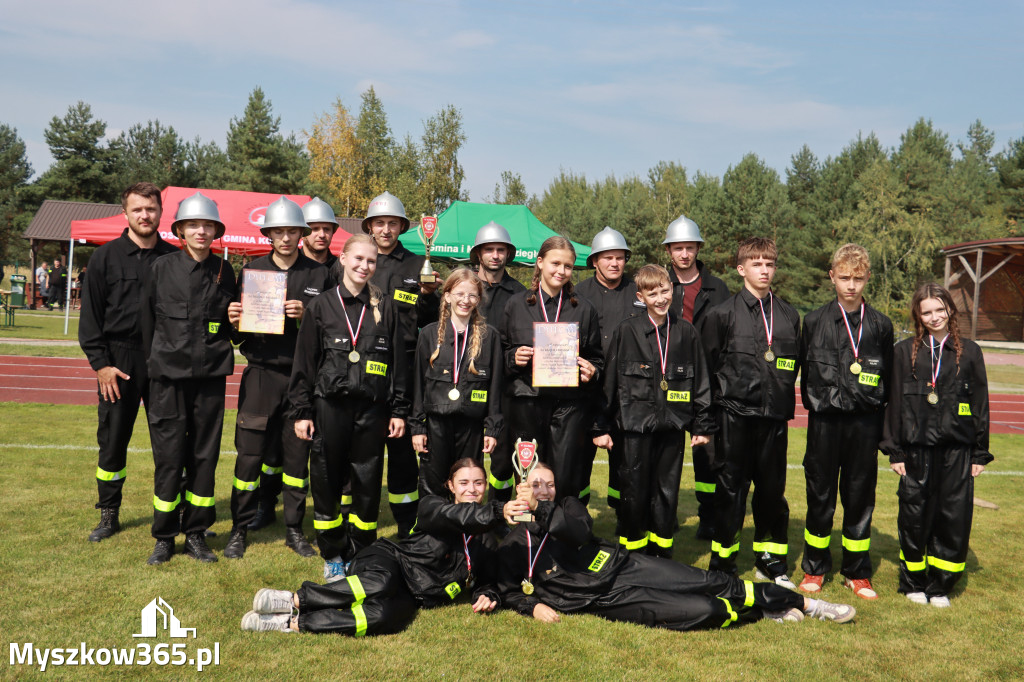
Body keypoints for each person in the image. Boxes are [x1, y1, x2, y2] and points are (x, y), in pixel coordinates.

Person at [497, 464, 855, 630]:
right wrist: (533, 607)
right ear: (519, 487)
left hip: (622, 566)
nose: (542, 490)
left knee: (709, 581)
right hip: (603, 599)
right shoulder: (511, 538)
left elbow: (574, 531)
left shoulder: (567, 506)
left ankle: (809, 604)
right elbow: (507, 589)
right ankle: (762, 612)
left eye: (548, 485)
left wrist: (540, 508)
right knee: (701, 609)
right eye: (534, 484)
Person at [241, 459, 524, 635]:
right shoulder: (433, 507)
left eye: (478, 483)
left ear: (486, 486)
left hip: (414, 594)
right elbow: (461, 517)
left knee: (383, 618)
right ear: (450, 486)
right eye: (463, 482)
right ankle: (293, 600)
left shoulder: (487, 541)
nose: (471, 489)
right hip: (389, 560)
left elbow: (487, 579)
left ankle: (288, 624)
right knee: (379, 583)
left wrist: (489, 595)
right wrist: (498, 511)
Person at [289, 233, 408, 581]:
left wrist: (399, 410)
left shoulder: (387, 308)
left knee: (368, 482)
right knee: (325, 480)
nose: (364, 266)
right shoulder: (321, 306)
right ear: (342, 258)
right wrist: (302, 412)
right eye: (358, 259)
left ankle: (363, 550)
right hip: (330, 407)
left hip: (372, 410)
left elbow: (399, 365)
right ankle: (333, 554)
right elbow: (304, 364)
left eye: (370, 261)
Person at [224, 197, 330, 559]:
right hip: (261, 375)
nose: (285, 237)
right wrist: (234, 322)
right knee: (249, 456)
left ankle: (293, 529)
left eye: (292, 231)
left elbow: (330, 332)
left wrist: (306, 316)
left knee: (297, 459)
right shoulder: (252, 271)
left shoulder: (320, 275)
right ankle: (239, 528)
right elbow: (239, 337)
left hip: (303, 380)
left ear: (302, 233)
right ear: (268, 233)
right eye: (279, 231)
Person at [880, 283, 992, 608]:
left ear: (950, 310)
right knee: (914, 516)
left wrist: (980, 452)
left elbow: (980, 403)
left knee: (952, 517)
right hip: (915, 451)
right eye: (926, 311)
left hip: (957, 452)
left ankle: (940, 586)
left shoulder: (969, 352)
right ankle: (913, 581)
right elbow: (893, 404)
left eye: (939, 310)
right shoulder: (903, 352)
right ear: (918, 314)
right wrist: (894, 450)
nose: (934, 317)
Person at [140, 192, 237, 565]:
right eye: (193, 224)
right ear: (180, 230)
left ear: (215, 231)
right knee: (168, 458)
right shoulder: (161, 268)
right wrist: (155, 368)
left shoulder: (224, 271)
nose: (201, 230)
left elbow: (230, 326)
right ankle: (164, 536)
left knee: (204, 458)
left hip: (210, 379)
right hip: (167, 380)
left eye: (207, 224)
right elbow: (147, 323)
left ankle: (196, 533)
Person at [78, 182, 178, 542]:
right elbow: (89, 319)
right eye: (137, 209)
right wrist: (101, 365)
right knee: (113, 441)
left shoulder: (173, 259)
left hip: (164, 361)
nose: (144, 215)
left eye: (150, 209)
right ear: (126, 213)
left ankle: (172, 512)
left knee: (169, 443)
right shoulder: (104, 258)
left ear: (160, 213)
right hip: (118, 363)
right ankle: (109, 513)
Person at [594, 265, 714, 558]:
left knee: (666, 495)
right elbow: (610, 382)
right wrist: (601, 427)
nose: (660, 298)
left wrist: (702, 425)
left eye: (664, 291)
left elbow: (700, 382)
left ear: (672, 291)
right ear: (640, 296)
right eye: (652, 293)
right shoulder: (627, 330)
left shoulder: (686, 332)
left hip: (672, 429)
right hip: (633, 430)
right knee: (633, 495)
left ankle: (662, 558)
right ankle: (631, 558)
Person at [700, 237, 800, 587]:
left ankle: (770, 562)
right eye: (756, 263)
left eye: (769, 264)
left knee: (772, 493)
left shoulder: (789, 315)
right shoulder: (721, 314)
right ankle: (723, 565)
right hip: (733, 417)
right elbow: (707, 371)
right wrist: (707, 423)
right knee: (730, 491)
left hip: (774, 419)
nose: (764, 270)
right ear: (741, 269)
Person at [797, 244, 894, 600]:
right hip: (824, 423)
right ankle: (814, 568)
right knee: (819, 495)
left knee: (859, 497)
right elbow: (806, 374)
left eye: (858, 278)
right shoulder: (813, 321)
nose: (851, 285)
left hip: (864, 425)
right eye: (844, 278)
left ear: (868, 278)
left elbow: (889, 379)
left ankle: (857, 572)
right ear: (832, 277)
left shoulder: (881, 325)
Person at [499, 236, 603, 501]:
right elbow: (499, 351)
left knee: (565, 473)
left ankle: (560, 531)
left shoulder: (584, 309)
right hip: (526, 400)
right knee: (527, 471)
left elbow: (596, 358)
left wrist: (593, 370)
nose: (561, 271)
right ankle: (527, 532)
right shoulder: (515, 304)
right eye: (555, 263)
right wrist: (513, 357)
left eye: (568, 266)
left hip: (568, 405)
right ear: (540, 262)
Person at [363, 191, 440, 536]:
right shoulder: (357, 262)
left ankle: (407, 521)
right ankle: (359, 518)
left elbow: (430, 317)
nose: (385, 229)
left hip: (406, 365)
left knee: (402, 449)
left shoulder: (415, 265)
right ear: (370, 227)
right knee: (362, 444)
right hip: (363, 364)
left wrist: (428, 296)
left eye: (392, 223)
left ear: (402, 227)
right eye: (379, 223)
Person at [663, 214, 730, 540]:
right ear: (669, 251)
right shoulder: (658, 284)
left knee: (707, 455)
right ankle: (665, 513)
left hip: (707, 383)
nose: (685, 254)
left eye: (690, 247)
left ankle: (709, 515)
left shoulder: (718, 288)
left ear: (698, 248)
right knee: (665, 451)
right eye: (678, 248)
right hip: (667, 382)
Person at [411, 269, 503, 498]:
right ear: (447, 295)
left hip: (471, 426)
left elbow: (495, 389)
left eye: (472, 295)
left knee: (468, 481)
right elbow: (418, 386)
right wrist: (418, 427)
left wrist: (492, 428)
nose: (465, 300)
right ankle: (431, 531)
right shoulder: (429, 334)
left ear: (479, 300)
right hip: (435, 425)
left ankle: (467, 530)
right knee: (433, 483)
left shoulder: (489, 337)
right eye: (459, 293)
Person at [575, 226, 644, 507]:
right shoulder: (578, 293)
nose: (615, 263)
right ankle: (576, 512)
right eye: (608, 258)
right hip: (585, 391)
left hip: (626, 394)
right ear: (594, 261)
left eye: (620, 258)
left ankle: (623, 514)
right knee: (579, 460)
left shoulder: (638, 293)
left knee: (625, 462)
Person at [469, 221, 525, 501]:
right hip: (464, 381)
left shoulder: (520, 293)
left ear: (508, 254)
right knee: (467, 452)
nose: (495, 255)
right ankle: (464, 510)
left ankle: (500, 511)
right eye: (488, 249)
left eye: (500, 250)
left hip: (505, 384)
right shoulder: (464, 286)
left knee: (502, 455)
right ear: (478, 254)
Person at [301, 197, 340, 285]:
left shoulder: (342, 268)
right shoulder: (291, 265)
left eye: (326, 229)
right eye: (315, 229)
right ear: (302, 233)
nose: (322, 235)